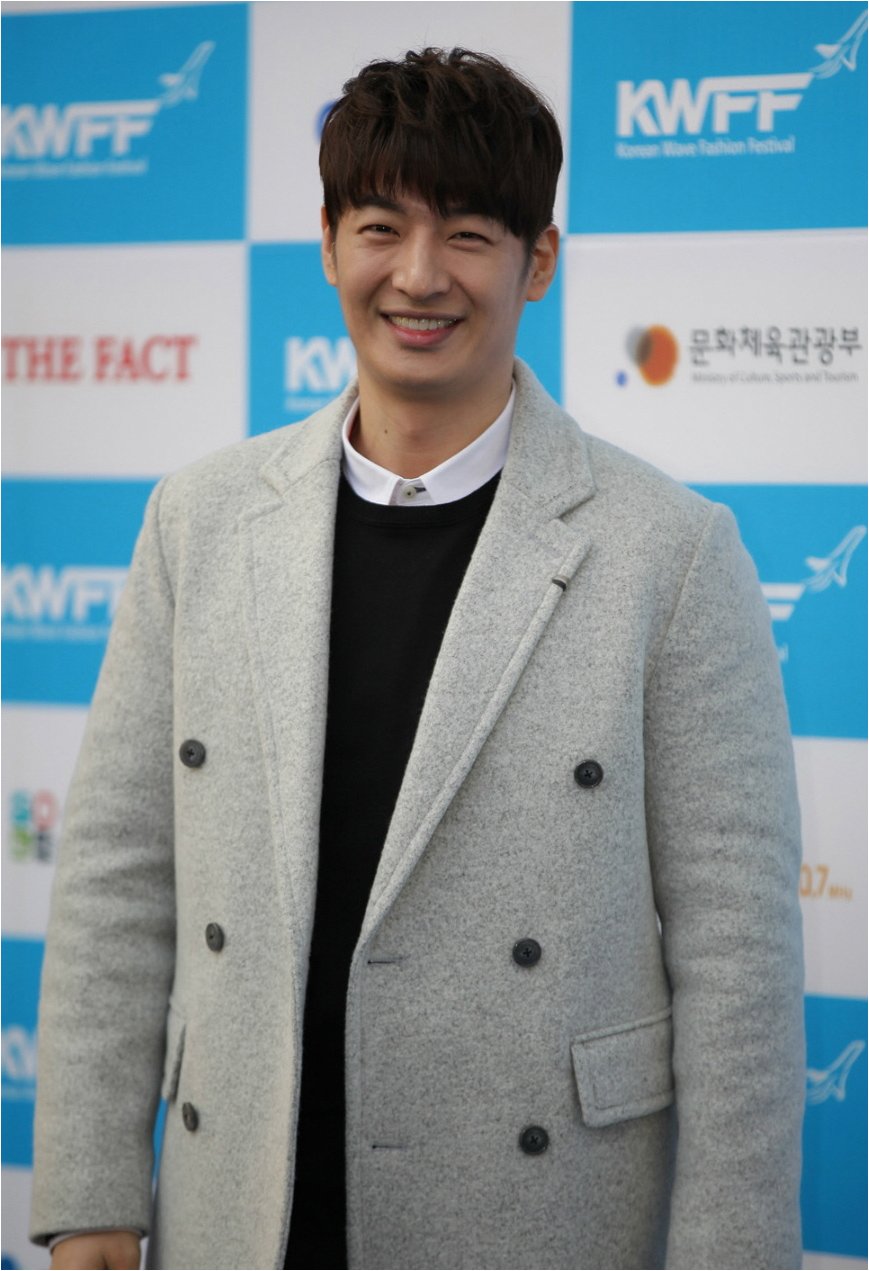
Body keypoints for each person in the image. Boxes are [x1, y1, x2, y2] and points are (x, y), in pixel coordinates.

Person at [31, 47, 804, 1271]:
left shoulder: (669, 552)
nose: (419, 275)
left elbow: (736, 957)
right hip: (240, 1204)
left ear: (536, 261)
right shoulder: (200, 519)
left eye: (469, 234)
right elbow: (117, 879)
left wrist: (732, 1252)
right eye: (381, 228)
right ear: (328, 243)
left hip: (536, 1215)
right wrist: (88, 1201)